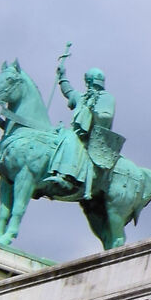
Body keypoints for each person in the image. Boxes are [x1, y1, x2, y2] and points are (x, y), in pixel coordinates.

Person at [52, 54, 115, 202]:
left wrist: (95, 112)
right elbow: (69, 92)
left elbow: (107, 116)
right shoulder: (82, 97)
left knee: (69, 138)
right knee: (60, 135)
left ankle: (66, 176)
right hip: (77, 132)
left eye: (90, 81)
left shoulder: (106, 97)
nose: (90, 85)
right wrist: (62, 76)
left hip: (93, 137)